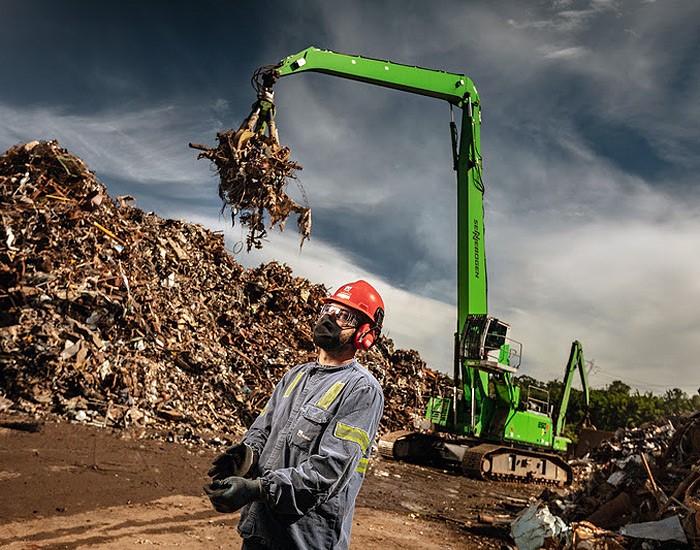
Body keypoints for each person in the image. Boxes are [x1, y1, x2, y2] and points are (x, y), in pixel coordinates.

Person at [204, 280, 386, 550]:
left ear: (364, 333)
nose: (329, 319)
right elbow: (262, 430)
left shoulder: (362, 390)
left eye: (343, 316)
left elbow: (330, 470)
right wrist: (246, 457)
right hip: (259, 529)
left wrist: (258, 489)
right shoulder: (295, 376)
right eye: (328, 311)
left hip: (304, 539)